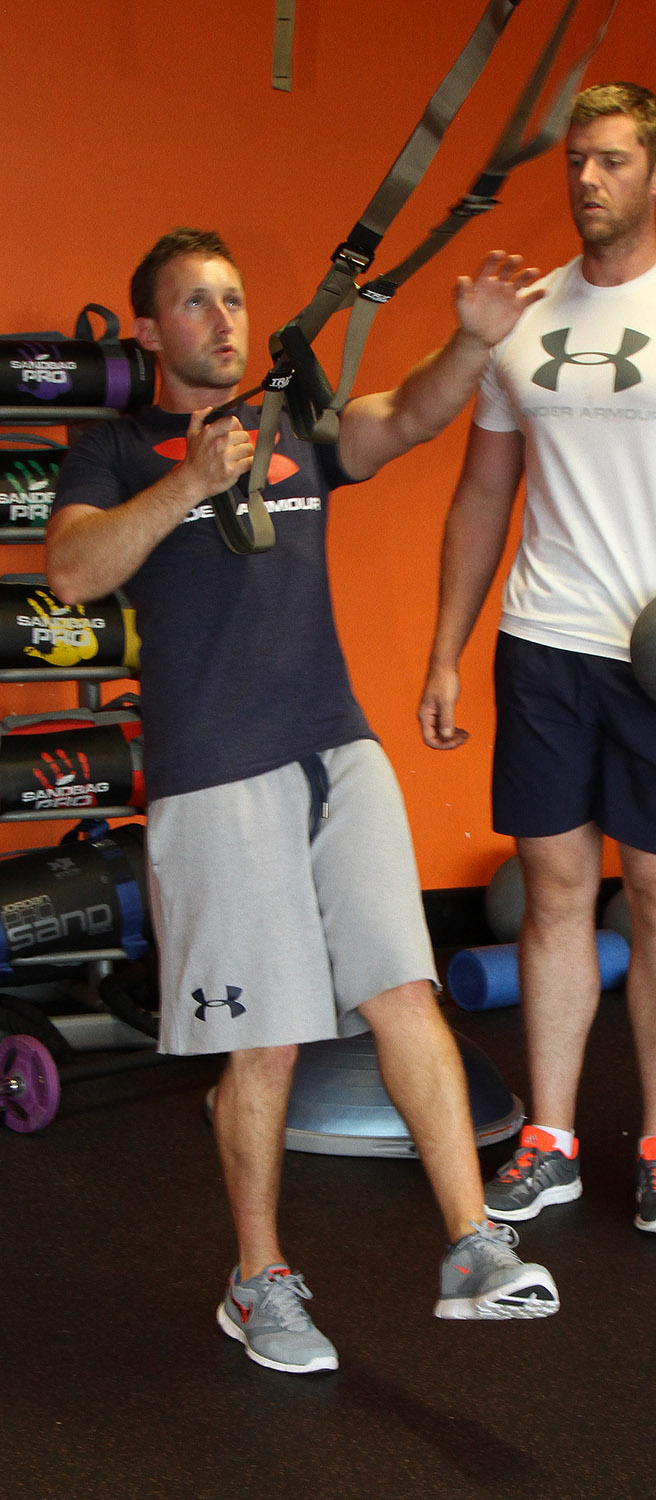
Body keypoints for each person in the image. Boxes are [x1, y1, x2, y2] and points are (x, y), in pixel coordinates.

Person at [45, 227, 561, 1375]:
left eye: (232, 298)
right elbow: (72, 572)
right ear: (150, 330)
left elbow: (406, 415)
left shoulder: (290, 427)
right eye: (194, 302)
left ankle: (473, 1245)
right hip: (215, 773)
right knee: (266, 1046)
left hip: (337, 748)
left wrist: (471, 343)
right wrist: (191, 479)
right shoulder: (114, 451)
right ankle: (258, 1280)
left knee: (404, 992)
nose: (222, 320)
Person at [418, 84, 656, 1236]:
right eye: (577, 160)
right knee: (550, 896)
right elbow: (481, 494)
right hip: (544, 645)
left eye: (614, 160)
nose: (588, 179)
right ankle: (550, 1139)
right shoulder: (521, 317)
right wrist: (444, 651)